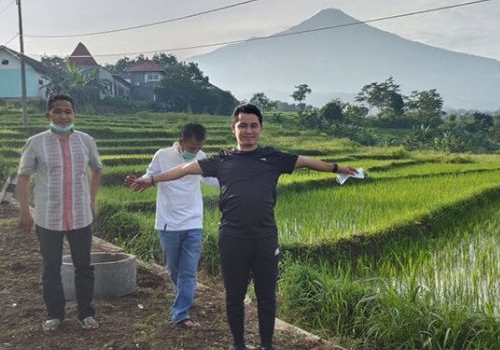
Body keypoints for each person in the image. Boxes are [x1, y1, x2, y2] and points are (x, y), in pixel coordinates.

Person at [130, 103, 358, 350]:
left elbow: (305, 161)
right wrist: (152, 178)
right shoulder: (221, 160)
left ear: (260, 128)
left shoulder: (272, 157)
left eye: (253, 126)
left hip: (265, 238)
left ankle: (266, 345)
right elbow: (184, 169)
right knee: (234, 297)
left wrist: (337, 168)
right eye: (242, 125)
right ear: (233, 129)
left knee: (267, 298)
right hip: (232, 239)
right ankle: (239, 345)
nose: (247, 131)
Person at [16, 93, 102, 332]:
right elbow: (23, 177)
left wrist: (91, 200)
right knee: (50, 268)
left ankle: (86, 314)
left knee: (84, 266)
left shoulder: (86, 141)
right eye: (58, 111)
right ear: (48, 115)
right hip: (47, 217)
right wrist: (25, 211)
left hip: (80, 216)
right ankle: (55, 314)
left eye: (68, 111)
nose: (63, 116)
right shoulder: (36, 142)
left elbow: (97, 169)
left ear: (74, 114)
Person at [124, 122, 217, 328]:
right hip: (168, 223)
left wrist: (231, 173)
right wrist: (142, 180)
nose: (195, 151)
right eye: (192, 147)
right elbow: (151, 175)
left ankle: (180, 313)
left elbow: (212, 180)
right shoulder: (162, 155)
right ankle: (184, 296)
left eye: (199, 147)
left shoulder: (201, 157)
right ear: (181, 141)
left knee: (188, 271)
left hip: (193, 222)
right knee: (173, 269)